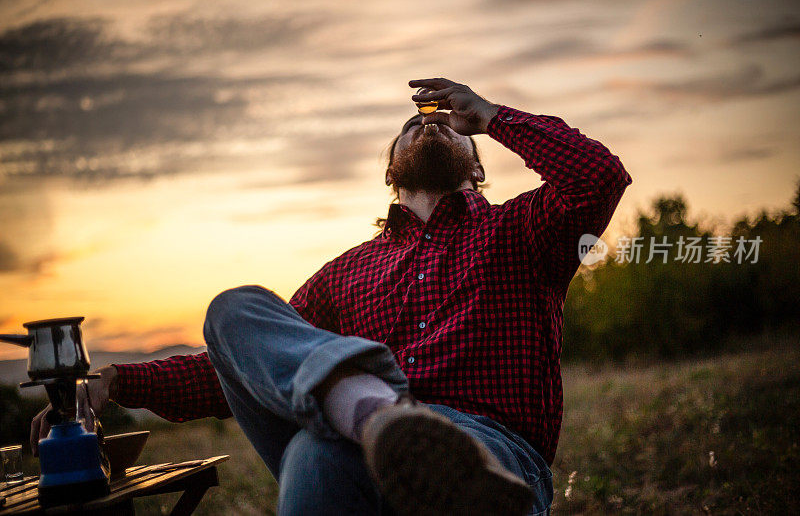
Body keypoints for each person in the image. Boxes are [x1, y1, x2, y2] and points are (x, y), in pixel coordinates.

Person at [31, 77, 632, 516]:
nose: (427, 125)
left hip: (490, 455)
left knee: (319, 451)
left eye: (450, 128)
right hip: (355, 453)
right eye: (410, 128)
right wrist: (113, 383)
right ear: (390, 174)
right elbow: (242, 371)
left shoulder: (524, 231)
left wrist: (492, 115)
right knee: (232, 311)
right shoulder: (344, 275)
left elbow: (600, 177)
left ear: (478, 168)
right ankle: (377, 422)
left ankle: (388, 432)